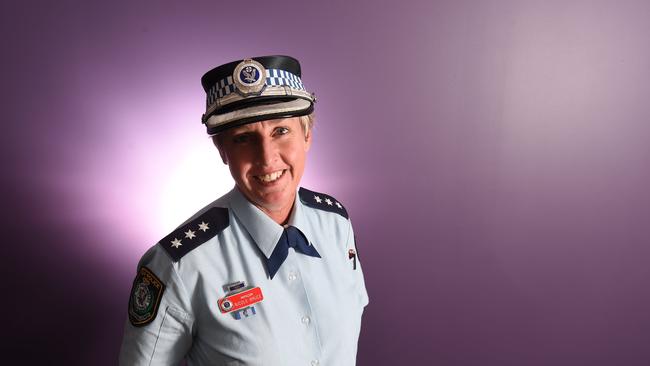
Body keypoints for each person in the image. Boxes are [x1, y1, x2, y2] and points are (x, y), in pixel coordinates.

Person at [119, 55, 369, 366]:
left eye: (280, 131)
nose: (267, 159)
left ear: (307, 135)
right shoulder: (179, 265)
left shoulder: (336, 224)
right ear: (222, 151)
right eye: (244, 138)